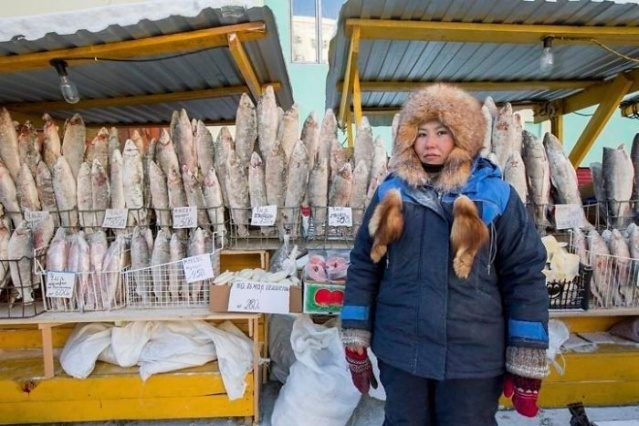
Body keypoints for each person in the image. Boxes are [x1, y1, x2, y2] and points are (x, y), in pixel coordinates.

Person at [340, 83, 549, 426]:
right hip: (403, 350)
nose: (430, 143)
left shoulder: (496, 196)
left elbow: (524, 274)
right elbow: (364, 264)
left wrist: (526, 350)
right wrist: (354, 334)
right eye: (420, 133)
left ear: (463, 136)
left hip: (474, 355)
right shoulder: (390, 194)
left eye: (441, 132)